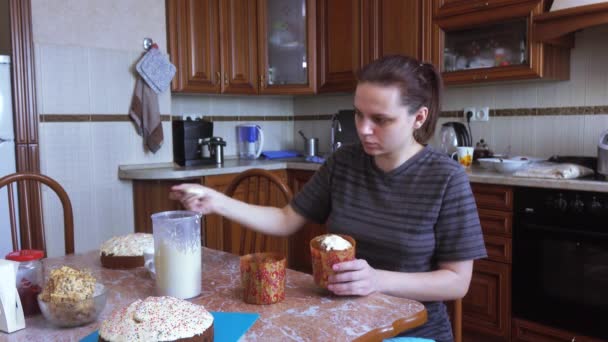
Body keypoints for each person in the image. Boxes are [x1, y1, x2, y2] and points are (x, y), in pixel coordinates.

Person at [170, 55, 487, 342]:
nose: (363, 129)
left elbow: (457, 282)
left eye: (380, 119)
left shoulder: (446, 178)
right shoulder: (344, 162)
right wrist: (217, 202)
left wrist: (376, 279)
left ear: (419, 118)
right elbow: (284, 219)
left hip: (412, 331)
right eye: (359, 115)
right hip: (340, 322)